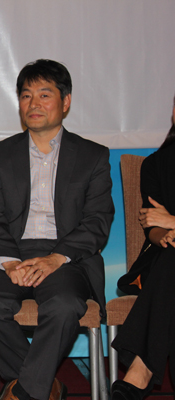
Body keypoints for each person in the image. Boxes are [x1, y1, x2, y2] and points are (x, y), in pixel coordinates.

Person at [0, 59, 114, 400]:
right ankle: (45, 388)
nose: (33, 104)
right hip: (12, 254)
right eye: (26, 95)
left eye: (44, 95)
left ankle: (24, 393)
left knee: (64, 305)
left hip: (66, 258)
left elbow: (97, 220)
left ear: (66, 102)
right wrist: (9, 262)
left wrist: (55, 258)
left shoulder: (92, 156)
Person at [110, 99, 175, 400]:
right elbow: (152, 226)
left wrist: (173, 221)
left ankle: (142, 367)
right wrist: (166, 235)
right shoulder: (156, 164)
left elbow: (165, 219)